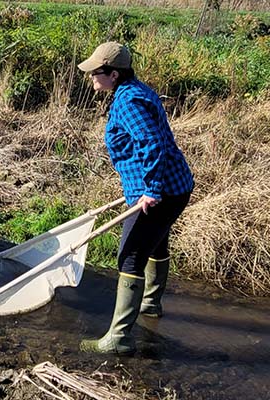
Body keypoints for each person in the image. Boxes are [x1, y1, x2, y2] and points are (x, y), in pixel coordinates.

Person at [76, 42, 194, 355]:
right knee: (156, 242)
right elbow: (147, 144)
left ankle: (119, 339)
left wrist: (151, 189)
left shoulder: (128, 102)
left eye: (95, 72)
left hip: (162, 190)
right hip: (175, 185)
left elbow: (152, 143)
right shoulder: (137, 91)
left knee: (129, 255)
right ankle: (151, 305)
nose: (91, 77)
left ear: (113, 74)